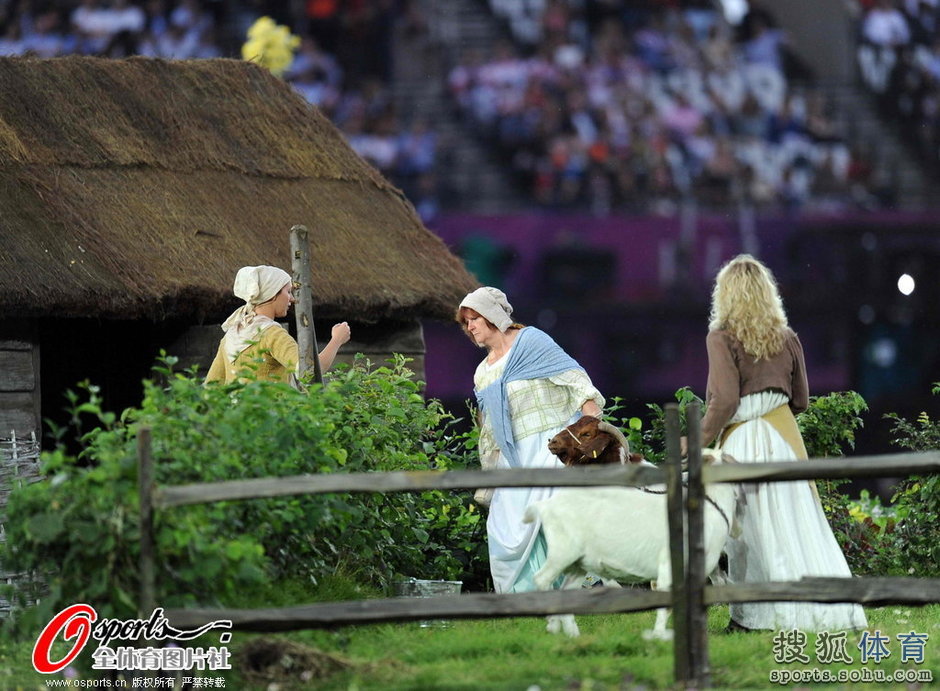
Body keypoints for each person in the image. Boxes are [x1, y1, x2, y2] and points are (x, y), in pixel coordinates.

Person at [684, 254, 867, 632]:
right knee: (801, 523)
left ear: (726, 295)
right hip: (785, 438)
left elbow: (725, 401)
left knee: (750, 532)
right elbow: (801, 400)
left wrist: (697, 440)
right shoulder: (788, 338)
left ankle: (755, 618)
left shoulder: (720, 337)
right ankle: (830, 611)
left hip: (744, 441)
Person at [455, 286, 604, 593]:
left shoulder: (531, 341)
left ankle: (574, 591)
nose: (469, 327)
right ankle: (522, 598)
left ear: (492, 317)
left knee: (555, 520)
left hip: (552, 447)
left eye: (474, 319)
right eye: (465, 321)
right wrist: (492, 465)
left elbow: (574, 378)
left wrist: (590, 424)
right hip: (514, 457)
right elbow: (491, 426)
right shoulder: (482, 372)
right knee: (506, 529)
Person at [205, 265, 351, 385]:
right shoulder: (272, 333)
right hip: (271, 418)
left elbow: (212, 386)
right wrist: (337, 340)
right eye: (288, 292)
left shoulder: (231, 334)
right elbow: (308, 372)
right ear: (273, 294)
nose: (292, 299)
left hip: (239, 419)